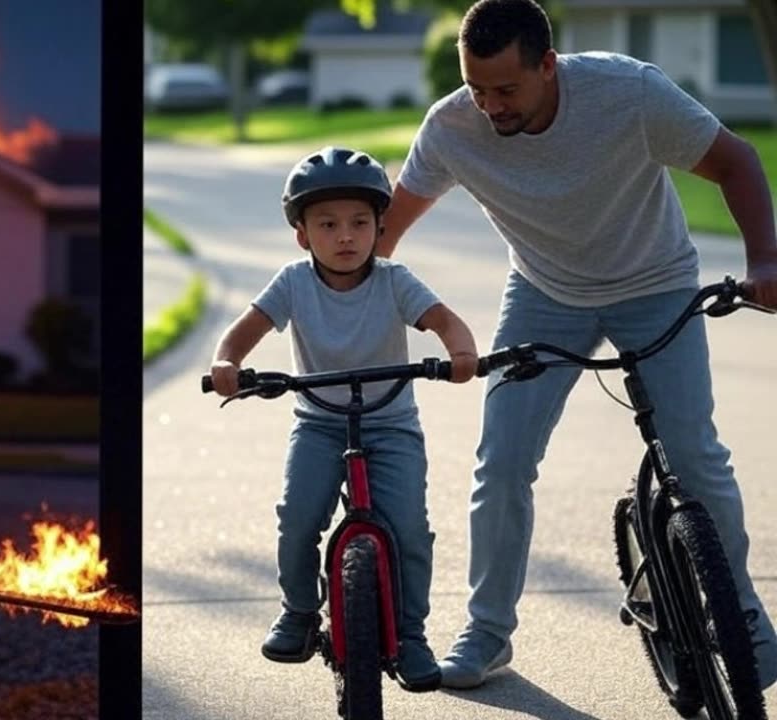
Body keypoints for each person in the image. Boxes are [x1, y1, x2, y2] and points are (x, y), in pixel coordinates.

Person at [378, 0, 777, 689]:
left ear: (549, 66)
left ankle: (738, 611)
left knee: (695, 456)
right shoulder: (452, 127)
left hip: (655, 282)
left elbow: (736, 162)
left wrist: (765, 260)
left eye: (506, 90)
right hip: (544, 292)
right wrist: (344, 298)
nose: (491, 106)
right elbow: (388, 226)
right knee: (501, 461)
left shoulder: (630, 93)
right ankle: (487, 632)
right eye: (477, 88)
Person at [208, 146, 479, 691]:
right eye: (327, 225)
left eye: (360, 223)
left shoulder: (395, 280)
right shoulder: (292, 282)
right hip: (318, 421)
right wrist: (227, 362)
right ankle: (300, 612)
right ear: (303, 235)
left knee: (409, 530)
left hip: (392, 423)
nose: (346, 236)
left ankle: (410, 634)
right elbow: (243, 331)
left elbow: (447, 323)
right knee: (297, 516)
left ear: (381, 227)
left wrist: (461, 354)